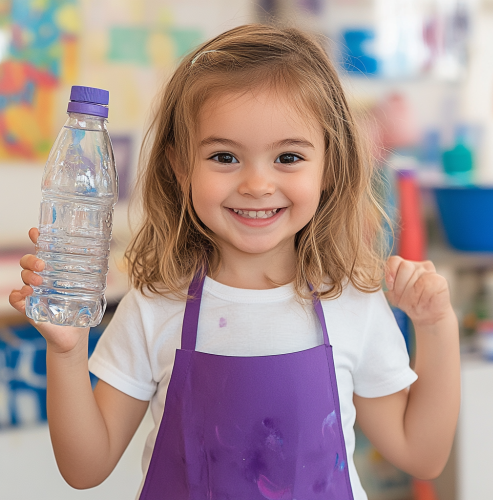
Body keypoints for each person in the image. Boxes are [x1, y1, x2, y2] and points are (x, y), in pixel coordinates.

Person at [10, 24, 460, 500]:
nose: (257, 184)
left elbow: (421, 454)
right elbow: (85, 467)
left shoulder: (352, 301)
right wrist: (66, 351)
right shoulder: (156, 304)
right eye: (225, 156)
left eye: (287, 157)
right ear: (181, 166)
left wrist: (436, 328)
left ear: (330, 164)